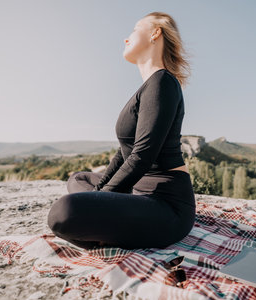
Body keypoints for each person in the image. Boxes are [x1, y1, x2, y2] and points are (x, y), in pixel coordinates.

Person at [47, 12, 195, 250]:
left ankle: (102, 224)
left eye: (135, 29)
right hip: (136, 193)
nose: (126, 39)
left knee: (64, 212)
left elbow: (143, 156)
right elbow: (125, 152)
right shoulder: (148, 87)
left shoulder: (163, 82)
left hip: (167, 205)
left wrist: (100, 198)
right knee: (79, 178)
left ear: (156, 33)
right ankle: (108, 222)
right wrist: (100, 193)